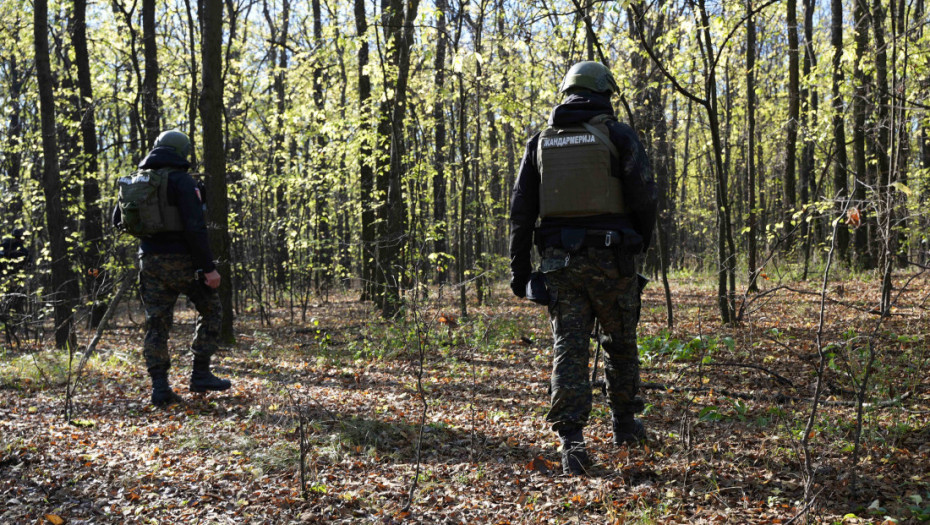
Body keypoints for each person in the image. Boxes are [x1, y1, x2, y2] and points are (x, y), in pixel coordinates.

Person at [509, 62, 657, 475]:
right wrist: (640, 243)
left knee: (569, 348)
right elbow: (645, 197)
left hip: (560, 265)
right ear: (604, 93)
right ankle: (625, 427)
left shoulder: (540, 142)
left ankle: (571, 443)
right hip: (613, 261)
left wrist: (520, 273)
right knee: (620, 343)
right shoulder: (619, 135)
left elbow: (521, 213)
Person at [114, 130, 230, 406]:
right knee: (212, 309)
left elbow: (118, 220)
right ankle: (200, 373)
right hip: (183, 262)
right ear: (182, 152)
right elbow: (195, 227)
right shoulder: (182, 181)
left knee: (157, 323)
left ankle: (159, 388)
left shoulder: (136, 180)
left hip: (149, 262)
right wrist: (208, 268)